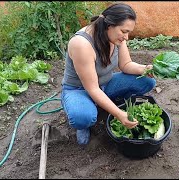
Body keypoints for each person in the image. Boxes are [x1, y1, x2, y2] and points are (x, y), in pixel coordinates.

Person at [60, 2, 156, 145]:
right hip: (79, 90)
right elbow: (92, 89)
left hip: (105, 83)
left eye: (128, 32)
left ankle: (107, 102)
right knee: (83, 117)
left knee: (147, 81)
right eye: (124, 32)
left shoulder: (116, 36)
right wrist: (119, 114)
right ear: (109, 25)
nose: (126, 37)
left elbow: (126, 65)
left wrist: (145, 69)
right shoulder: (82, 44)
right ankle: (84, 123)